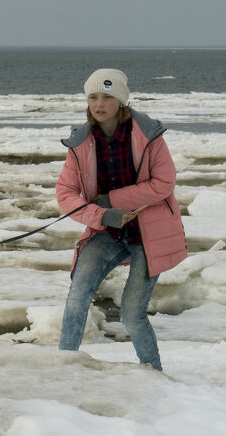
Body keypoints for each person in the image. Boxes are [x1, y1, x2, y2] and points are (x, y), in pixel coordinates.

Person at [55, 68, 187, 370]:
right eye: (92, 97)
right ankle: (62, 368)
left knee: (131, 313)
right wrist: (103, 214)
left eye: (107, 96)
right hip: (107, 231)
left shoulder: (148, 136)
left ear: (122, 101)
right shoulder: (80, 144)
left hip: (148, 235)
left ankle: (153, 372)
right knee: (77, 298)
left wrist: (112, 200)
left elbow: (163, 184)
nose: (99, 104)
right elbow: (66, 193)